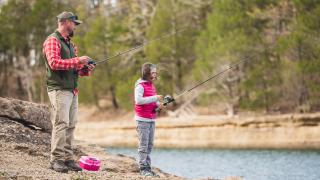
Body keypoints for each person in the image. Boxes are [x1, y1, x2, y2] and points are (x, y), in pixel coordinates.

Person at [42, 11, 95, 173]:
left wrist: (86, 68)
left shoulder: (71, 45)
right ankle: (56, 160)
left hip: (72, 90)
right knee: (61, 124)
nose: (75, 27)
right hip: (58, 89)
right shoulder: (52, 40)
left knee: (71, 125)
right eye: (74, 23)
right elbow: (54, 64)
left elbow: (75, 69)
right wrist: (78, 60)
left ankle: (68, 159)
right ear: (65, 22)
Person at [134, 62, 164, 176]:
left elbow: (153, 101)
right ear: (147, 73)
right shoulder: (140, 85)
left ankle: (148, 167)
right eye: (153, 72)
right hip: (142, 120)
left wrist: (159, 105)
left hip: (151, 119)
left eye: (156, 72)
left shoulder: (151, 85)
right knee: (143, 145)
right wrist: (155, 98)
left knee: (150, 145)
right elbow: (139, 100)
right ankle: (143, 169)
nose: (155, 74)